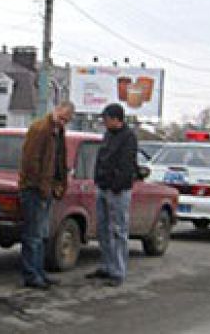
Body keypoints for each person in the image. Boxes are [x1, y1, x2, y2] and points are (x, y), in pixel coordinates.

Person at [19, 101, 74, 289]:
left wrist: (59, 184)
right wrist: (41, 186)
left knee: (42, 234)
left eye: (67, 120)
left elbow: (59, 161)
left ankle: (39, 272)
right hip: (34, 189)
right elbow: (30, 160)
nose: (63, 122)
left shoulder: (58, 132)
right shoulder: (41, 129)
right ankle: (31, 275)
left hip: (47, 189)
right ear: (56, 110)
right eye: (62, 117)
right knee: (33, 234)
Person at [86, 103, 138, 287]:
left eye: (107, 119)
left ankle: (118, 270)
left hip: (118, 191)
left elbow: (126, 165)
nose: (104, 122)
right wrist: (98, 179)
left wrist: (116, 186)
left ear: (117, 119)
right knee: (103, 229)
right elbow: (102, 158)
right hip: (103, 186)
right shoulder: (108, 135)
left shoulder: (128, 137)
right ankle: (106, 266)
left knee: (118, 230)